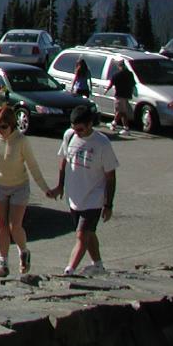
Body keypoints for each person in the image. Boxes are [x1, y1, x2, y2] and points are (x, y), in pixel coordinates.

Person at [0, 104, 51, 277]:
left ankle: (23, 251)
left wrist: (45, 188)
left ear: (12, 125)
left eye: (4, 126)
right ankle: (3, 262)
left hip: (19, 186)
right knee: (1, 224)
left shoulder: (21, 140)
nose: (0, 130)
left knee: (14, 225)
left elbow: (33, 165)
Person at [47, 103, 117, 276]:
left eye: (80, 129)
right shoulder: (69, 136)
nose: (77, 132)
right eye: (74, 128)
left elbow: (110, 176)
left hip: (94, 197)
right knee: (88, 233)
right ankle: (98, 265)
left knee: (81, 235)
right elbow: (63, 161)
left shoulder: (102, 143)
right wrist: (60, 186)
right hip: (74, 196)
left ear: (90, 124)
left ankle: (69, 269)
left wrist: (108, 204)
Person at [107, 59, 136, 134]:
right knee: (120, 111)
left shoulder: (116, 75)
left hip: (119, 95)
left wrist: (106, 90)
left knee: (121, 112)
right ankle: (116, 125)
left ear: (119, 66)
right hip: (127, 95)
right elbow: (133, 84)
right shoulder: (130, 74)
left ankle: (121, 126)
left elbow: (111, 84)